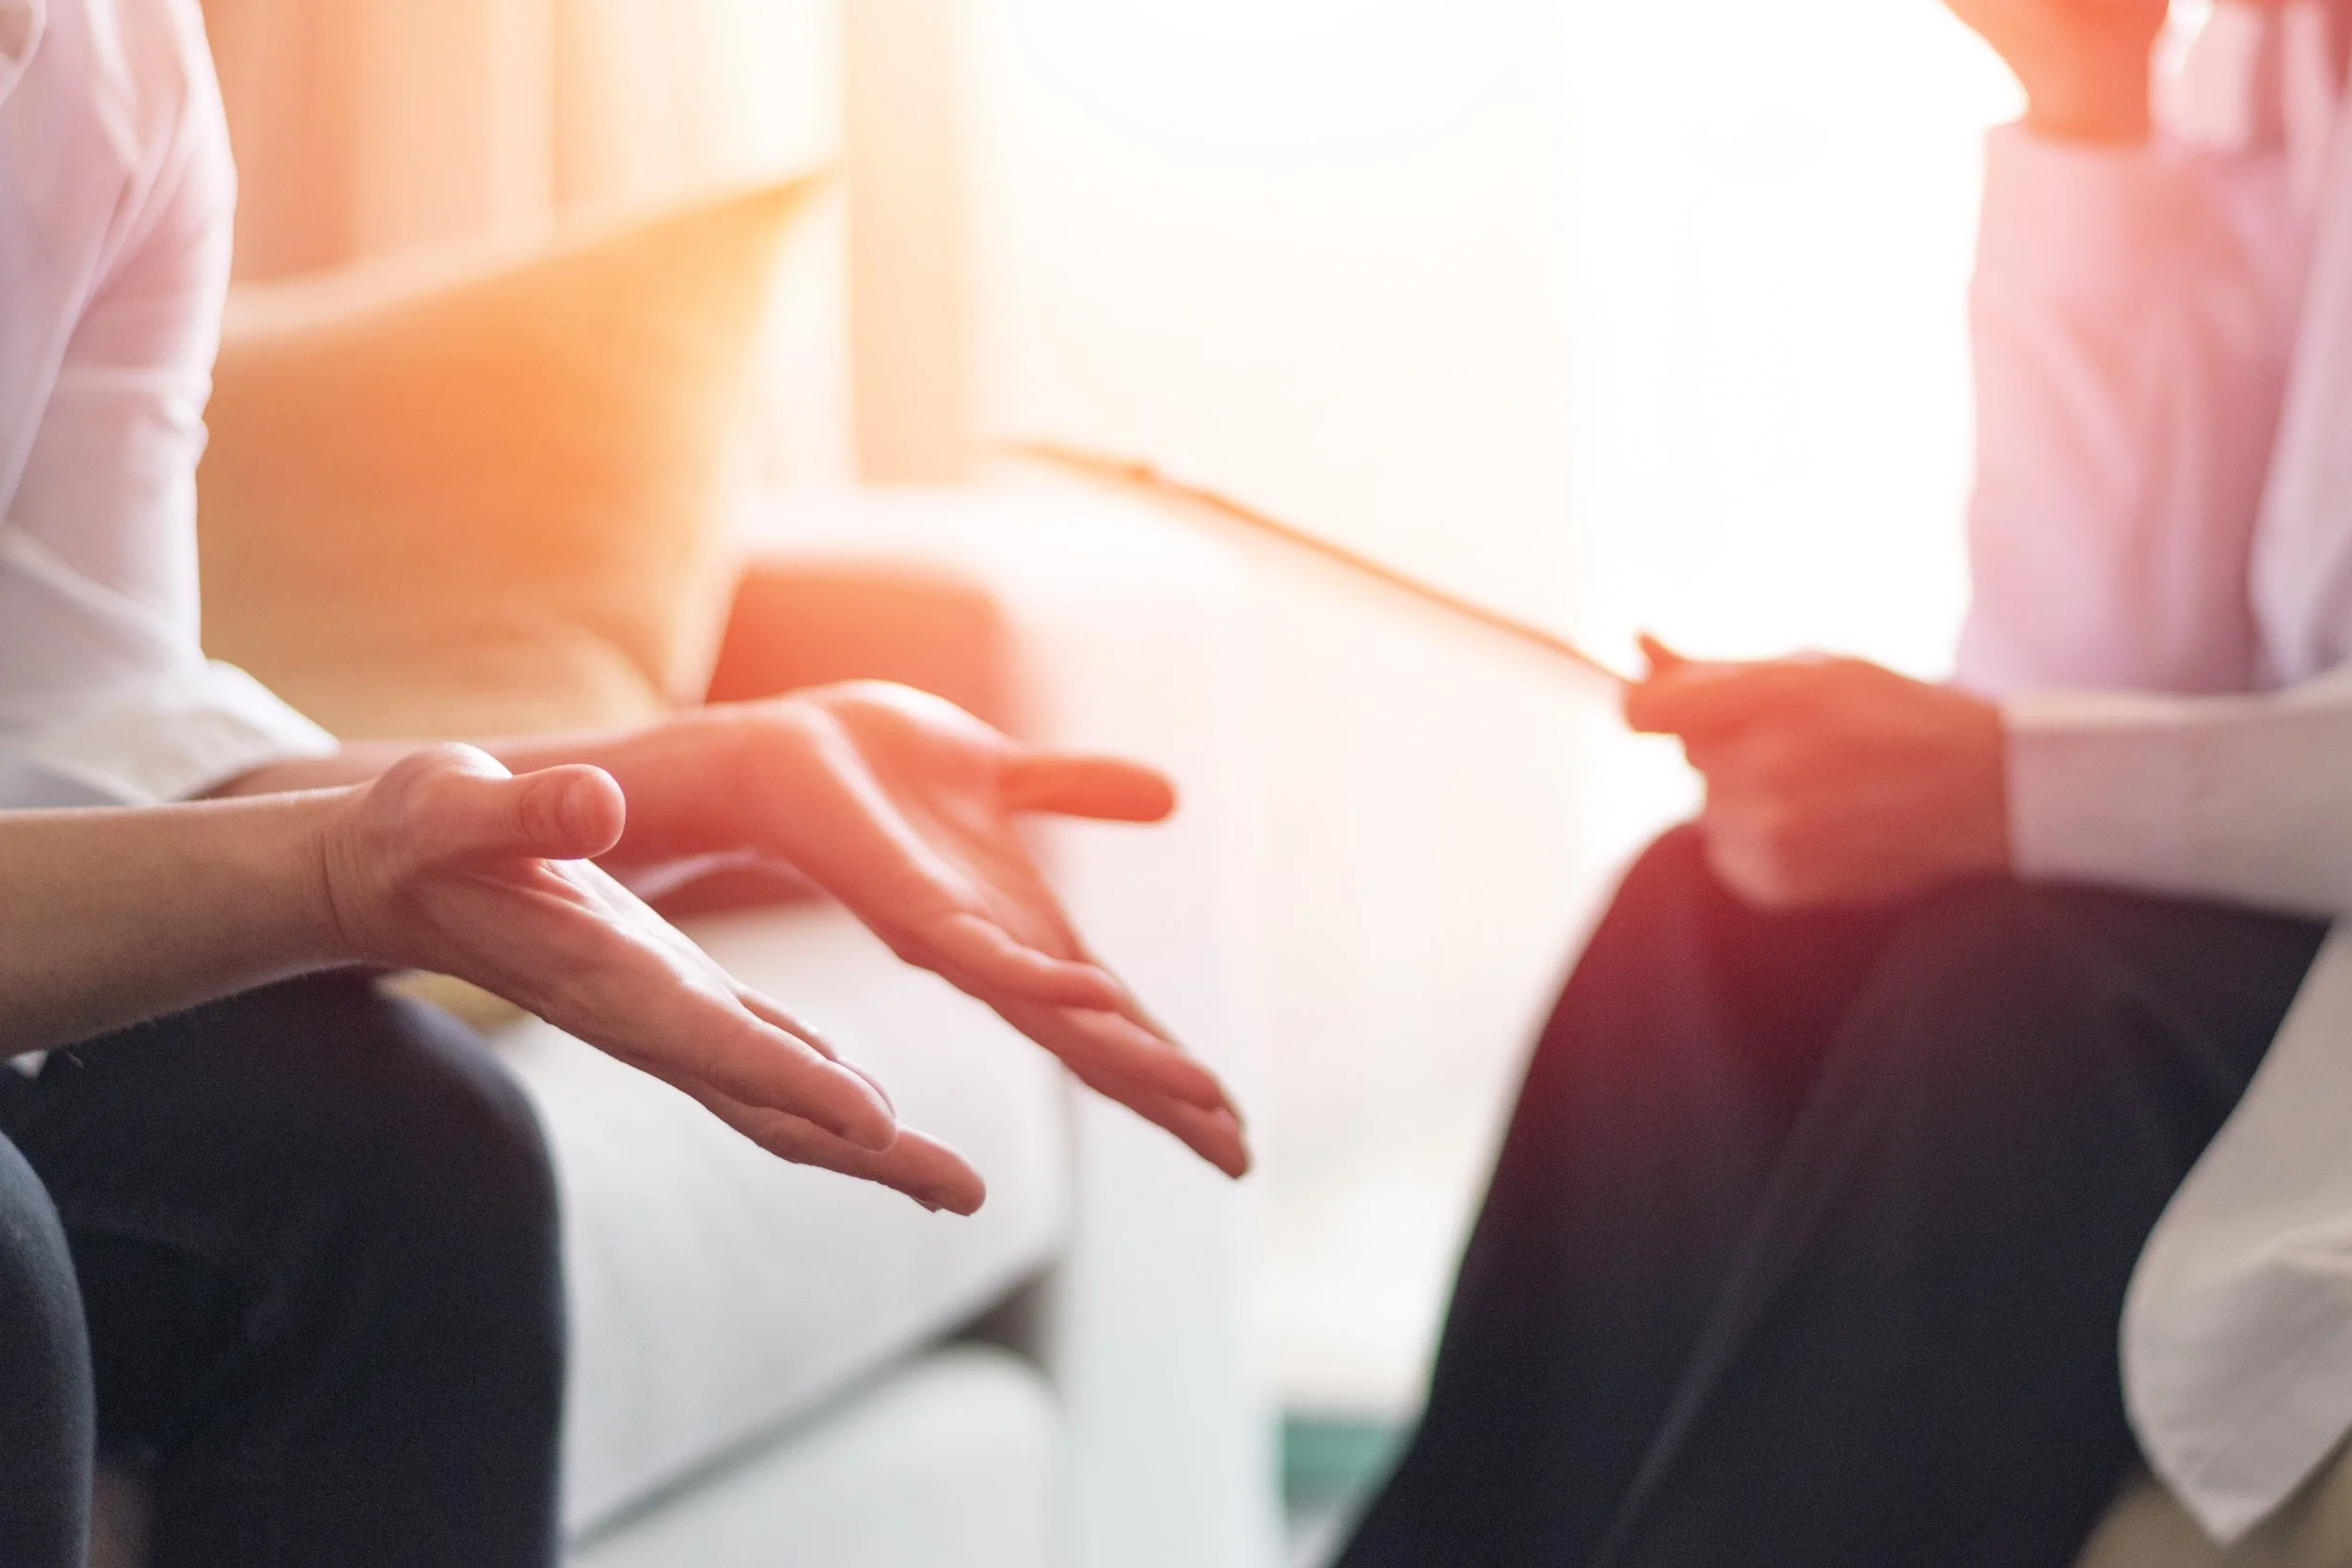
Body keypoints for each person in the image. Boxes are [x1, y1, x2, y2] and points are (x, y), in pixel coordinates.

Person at [0, 2, 1245, 1565]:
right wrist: (328, 875)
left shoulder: (111, 59)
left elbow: (83, 719)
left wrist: (699, 779)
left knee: (396, 1150)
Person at [1337, 0, 2352, 1564]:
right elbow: (2117, 660)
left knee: (2021, 995)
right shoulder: (2272, 53)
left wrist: (2002, 786)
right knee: (1708, 910)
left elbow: (2052, 761)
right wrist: (2082, 103)